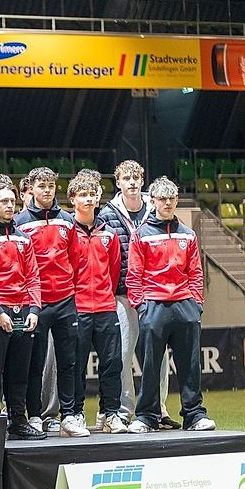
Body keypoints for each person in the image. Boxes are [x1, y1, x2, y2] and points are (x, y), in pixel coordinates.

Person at [126, 176, 215, 433]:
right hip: (153, 306)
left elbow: (195, 272)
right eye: (162, 198)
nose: (167, 203)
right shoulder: (141, 235)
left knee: (190, 365)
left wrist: (196, 304)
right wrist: (141, 307)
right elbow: (134, 274)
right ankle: (146, 417)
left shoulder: (187, 233)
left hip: (185, 306)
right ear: (152, 201)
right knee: (151, 366)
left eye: (172, 198)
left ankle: (194, 415)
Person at [98, 160, 178, 429]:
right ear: (118, 182)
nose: (132, 182)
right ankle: (124, 409)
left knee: (159, 354)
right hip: (122, 292)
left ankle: (159, 408)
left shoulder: (155, 208)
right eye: (126, 178)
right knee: (122, 353)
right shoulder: (107, 214)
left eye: (136, 178)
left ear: (142, 181)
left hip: (154, 293)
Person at [0, 179, 44, 440]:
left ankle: (18, 421)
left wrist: (34, 309)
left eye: (12, 201)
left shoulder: (24, 238)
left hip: (23, 310)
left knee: (19, 372)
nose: (10, 205)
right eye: (4, 201)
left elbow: (33, 276)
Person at [14, 167, 79, 434]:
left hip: (65, 299)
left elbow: (74, 258)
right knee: (34, 363)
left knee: (68, 362)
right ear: (31, 188)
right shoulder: (19, 221)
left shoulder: (68, 220)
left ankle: (69, 415)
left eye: (51, 185)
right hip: (36, 303)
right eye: (42, 186)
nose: (47, 190)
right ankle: (35, 415)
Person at [68, 175, 125, 435]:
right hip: (77, 308)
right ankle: (76, 413)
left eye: (92, 194)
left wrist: (105, 296)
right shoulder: (68, 232)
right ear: (72, 199)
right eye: (83, 195)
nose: (88, 199)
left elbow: (114, 271)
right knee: (75, 365)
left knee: (112, 363)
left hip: (105, 307)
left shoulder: (109, 233)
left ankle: (110, 414)